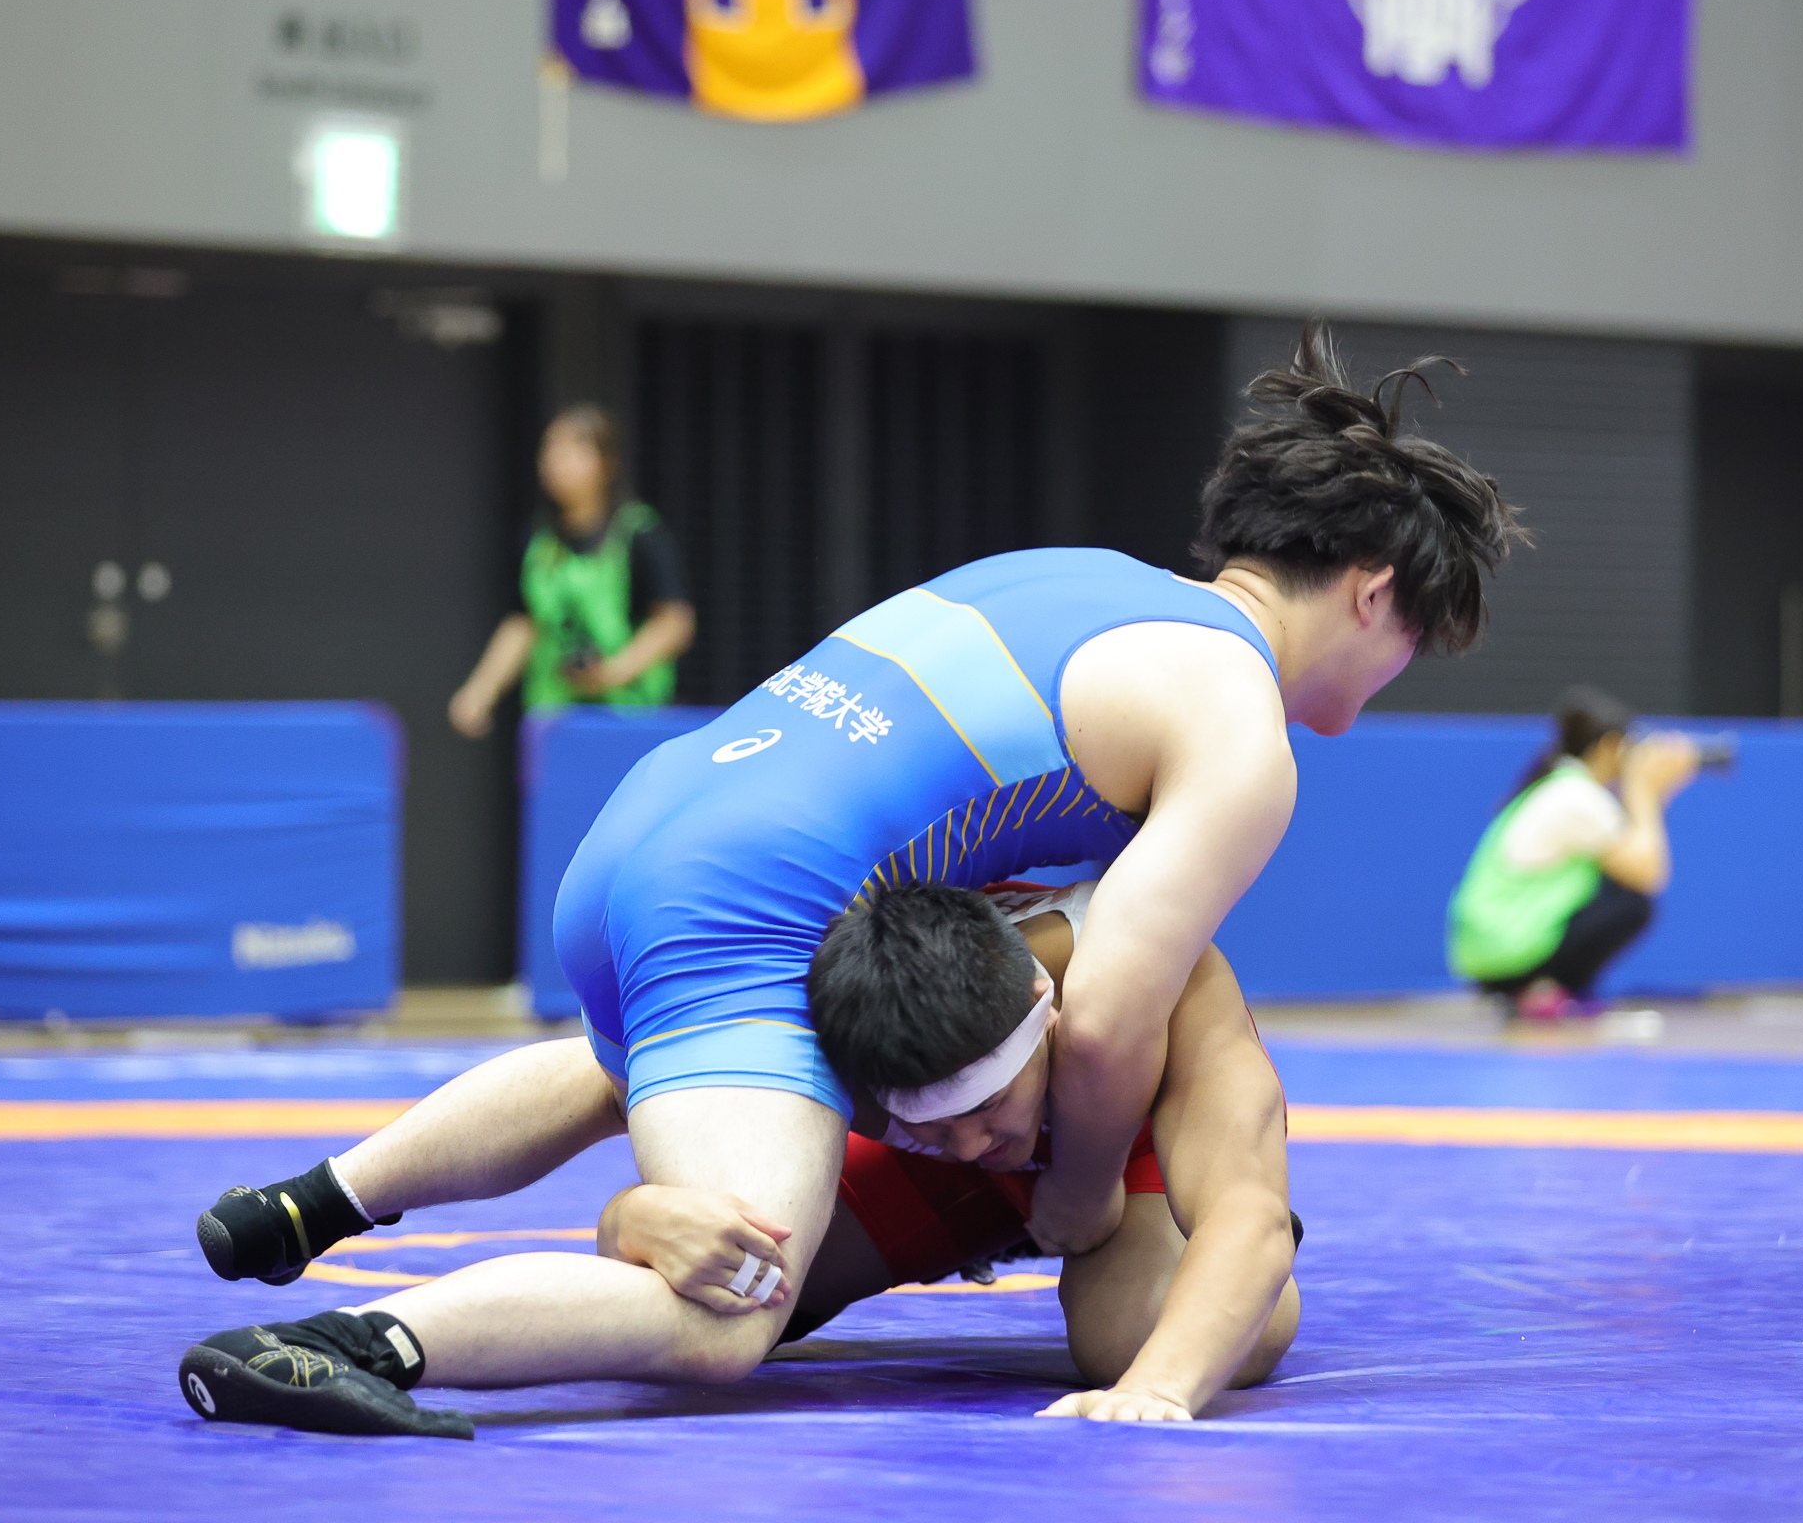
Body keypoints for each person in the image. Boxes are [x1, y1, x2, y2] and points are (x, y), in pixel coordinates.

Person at [177, 322, 1521, 1434]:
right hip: (752, 907)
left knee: (629, 1073)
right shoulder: (1237, 724)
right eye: (1414, 641)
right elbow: (1112, 1014)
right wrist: (1074, 1193)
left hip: (644, 831)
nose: (1394, 676)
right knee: (733, 1311)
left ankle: (318, 1200)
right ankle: (354, 1341)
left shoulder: (1075, 578)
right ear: (1372, 592)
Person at [580, 880, 1297, 1423]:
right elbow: (656, 1121)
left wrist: (1157, 1389)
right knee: (728, 1281)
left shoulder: (1166, 979)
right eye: (932, 1121)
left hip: (1136, 1149)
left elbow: (1248, 1216)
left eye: (985, 1106)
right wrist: (630, 1220)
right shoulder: (842, 1023)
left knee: (1142, 1339)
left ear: (1044, 1008)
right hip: (927, 1168)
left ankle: (1159, 1249)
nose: (973, 1143)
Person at [1447, 686, 1698, 1020]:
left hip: (1487, 953)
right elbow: (1648, 873)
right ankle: (1546, 988)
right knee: (1632, 903)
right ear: (1610, 746)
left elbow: (1634, 852)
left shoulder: (1557, 786)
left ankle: (1548, 989)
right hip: (1510, 954)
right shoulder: (1577, 797)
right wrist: (1644, 790)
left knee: (1613, 883)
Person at [448, 404, 695, 735]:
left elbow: (675, 622)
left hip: (629, 717)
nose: (555, 461)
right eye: (550, 449)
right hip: (555, 719)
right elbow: (523, 623)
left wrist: (613, 671)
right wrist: (480, 691)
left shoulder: (639, 534)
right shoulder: (537, 540)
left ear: (607, 463)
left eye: (573, 450)